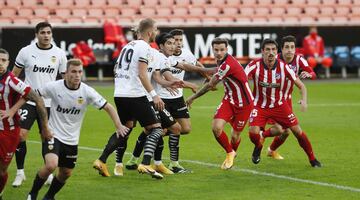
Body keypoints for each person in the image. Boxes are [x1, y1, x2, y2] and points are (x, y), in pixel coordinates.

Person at [26, 58, 128, 200]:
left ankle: (49, 197)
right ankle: (32, 193)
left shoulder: (87, 91)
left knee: (66, 173)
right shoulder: (54, 87)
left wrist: (118, 125)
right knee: (51, 165)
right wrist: (14, 110)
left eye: (80, 71)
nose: (77, 75)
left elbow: (108, 107)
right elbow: (32, 95)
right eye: (73, 72)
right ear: (66, 73)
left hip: (72, 140)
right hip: (53, 134)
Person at [93, 18, 166, 179]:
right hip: (134, 94)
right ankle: (146, 163)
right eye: (155, 30)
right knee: (156, 128)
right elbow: (141, 74)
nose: (156, 33)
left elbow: (116, 68)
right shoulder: (145, 48)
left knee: (125, 129)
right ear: (149, 32)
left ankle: (102, 160)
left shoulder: (127, 46)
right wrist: (154, 95)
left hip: (120, 93)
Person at [112, 32, 185, 176]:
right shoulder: (143, 51)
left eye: (174, 43)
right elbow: (137, 73)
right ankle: (129, 163)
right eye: (169, 43)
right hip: (141, 98)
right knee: (133, 129)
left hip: (150, 98)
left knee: (168, 128)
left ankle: (152, 163)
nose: (173, 46)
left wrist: (171, 83)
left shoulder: (158, 57)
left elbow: (157, 77)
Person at [245, 38, 321, 167]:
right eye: (267, 50)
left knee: (295, 131)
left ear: (277, 51)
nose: (271, 52)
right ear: (262, 51)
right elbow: (242, 78)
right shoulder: (254, 65)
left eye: (273, 49)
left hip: (280, 104)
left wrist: (304, 100)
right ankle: (258, 146)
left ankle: (312, 159)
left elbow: (301, 85)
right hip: (259, 105)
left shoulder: (284, 66)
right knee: (253, 132)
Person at [12, 21, 67, 187]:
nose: (46, 35)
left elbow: (65, 80)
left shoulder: (59, 54)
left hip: (49, 103)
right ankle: (20, 172)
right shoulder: (26, 52)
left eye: (49, 32)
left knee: (46, 135)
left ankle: (47, 172)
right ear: (36, 34)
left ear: (52, 34)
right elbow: (14, 76)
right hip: (28, 101)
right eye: (43, 32)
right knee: (20, 135)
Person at [186, 37, 254, 170]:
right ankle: (230, 153)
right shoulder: (221, 62)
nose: (218, 52)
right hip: (229, 100)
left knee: (235, 136)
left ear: (227, 49)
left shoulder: (227, 64)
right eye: (216, 50)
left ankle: (232, 154)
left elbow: (211, 85)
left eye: (222, 49)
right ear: (212, 49)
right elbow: (214, 77)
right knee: (216, 127)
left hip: (244, 104)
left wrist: (192, 97)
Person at [0, 48, 51, 200]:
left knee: (2, 171)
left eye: (3, 60)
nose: (0, 63)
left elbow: (34, 97)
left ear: (8, 63)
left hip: (8, 132)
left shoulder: (12, 80)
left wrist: (13, 110)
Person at [261, 35, 316, 160]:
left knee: (286, 132)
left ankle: (270, 150)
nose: (290, 50)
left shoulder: (299, 60)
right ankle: (262, 135)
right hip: (270, 98)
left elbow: (313, 73)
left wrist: (309, 74)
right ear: (281, 49)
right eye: (287, 47)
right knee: (282, 130)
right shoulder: (274, 59)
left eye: (292, 47)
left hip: (286, 100)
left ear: (295, 49)